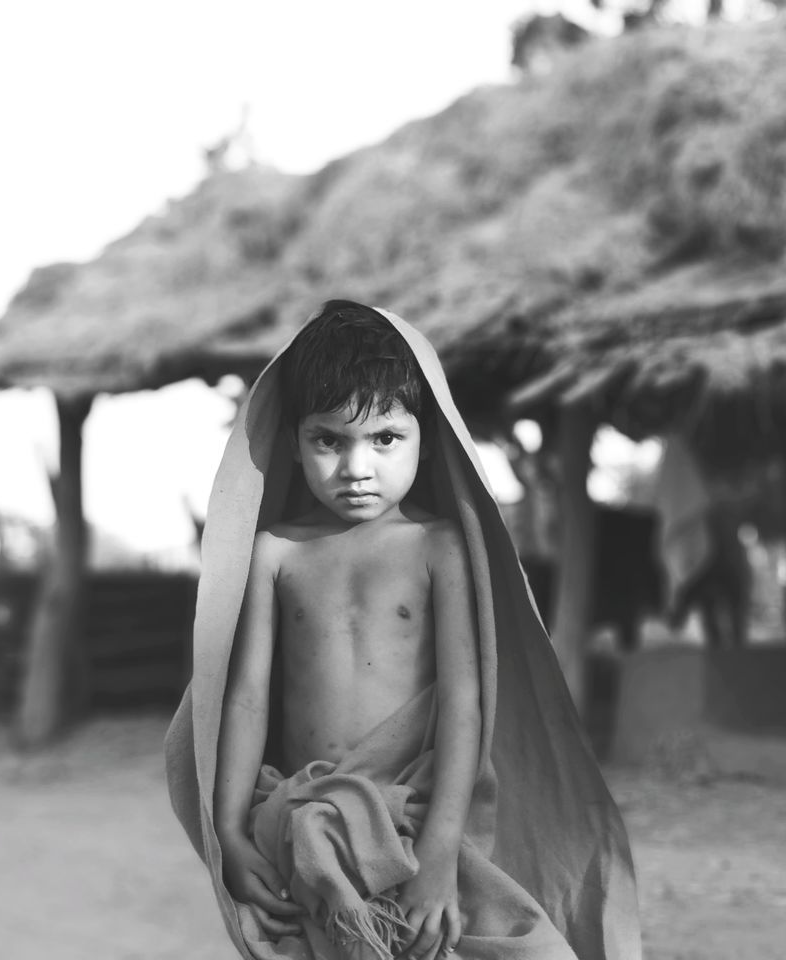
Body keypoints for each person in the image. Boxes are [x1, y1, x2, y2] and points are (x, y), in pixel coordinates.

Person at [165, 301, 641, 960]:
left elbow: (465, 703)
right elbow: (245, 698)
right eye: (328, 439)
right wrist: (229, 828)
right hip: (304, 820)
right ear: (294, 441)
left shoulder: (439, 547)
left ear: (427, 436)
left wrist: (442, 854)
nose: (356, 467)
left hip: (415, 820)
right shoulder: (276, 553)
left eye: (385, 438)